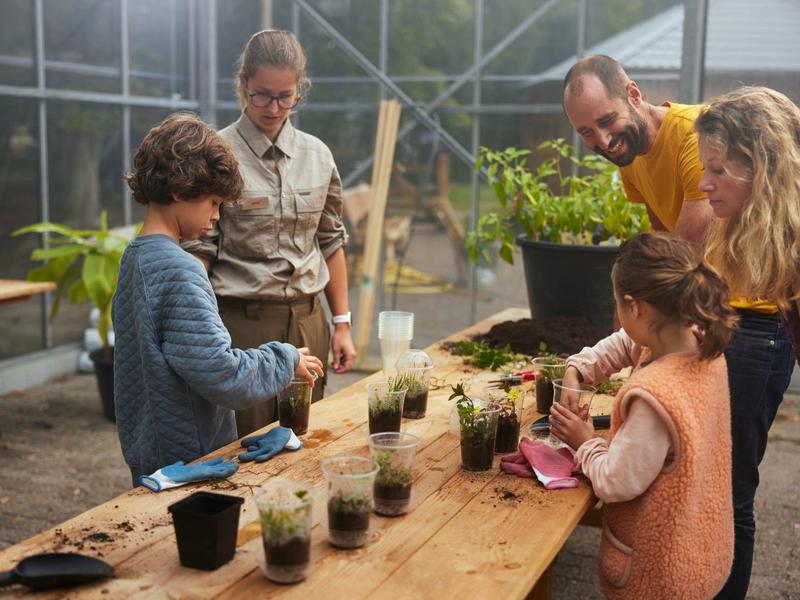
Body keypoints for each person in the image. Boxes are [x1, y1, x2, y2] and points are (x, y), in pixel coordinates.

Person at [563, 57, 796, 600]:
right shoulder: (637, 168)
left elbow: (675, 271)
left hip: (751, 328)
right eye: (584, 131)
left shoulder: (700, 142)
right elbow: (661, 273)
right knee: (699, 484)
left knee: (728, 492)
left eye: (605, 119)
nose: (599, 138)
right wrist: (609, 350)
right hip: (713, 321)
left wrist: (636, 342)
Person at [113, 112, 324, 485]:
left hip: (150, 454)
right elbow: (222, 374)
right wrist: (285, 357)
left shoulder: (135, 258)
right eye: (213, 202)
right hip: (192, 460)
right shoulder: (180, 269)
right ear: (179, 190)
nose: (215, 216)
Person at [182, 29, 355, 437]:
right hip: (243, 329)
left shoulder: (318, 155)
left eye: (286, 96)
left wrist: (342, 324)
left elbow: (331, 240)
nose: (274, 107)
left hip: (309, 321)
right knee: (244, 450)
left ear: (299, 90)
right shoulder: (217, 154)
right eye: (262, 94)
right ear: (243, 84)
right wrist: (198, 331)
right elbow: (198, 250)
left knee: (306, 443)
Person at [550, 232, 738, 599]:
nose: (618, 316)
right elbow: (627, 341)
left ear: (636, 307)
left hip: (659, 574)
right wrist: (579, 369)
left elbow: (616, 482)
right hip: (702, 546)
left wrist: (584, 442)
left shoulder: (655, 397)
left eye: (618, 304)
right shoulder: (699, 343)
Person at [695, 86, 800, 599]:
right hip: (738, 328)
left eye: (718, 170)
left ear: (759, 166)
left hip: (760, 343)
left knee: (731, 493)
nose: (704, 182)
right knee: (715, 486)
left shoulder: (790, 234)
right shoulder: (741, 223)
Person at [562, 54, 713, 252]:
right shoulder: (630, 153)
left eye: (607, 120)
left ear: (633, 95)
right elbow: (664, 238)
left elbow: (688, 252)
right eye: (587, 132)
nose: (605, 142)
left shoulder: (697, 135)